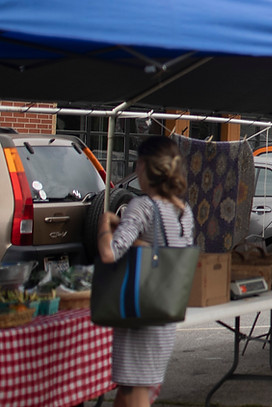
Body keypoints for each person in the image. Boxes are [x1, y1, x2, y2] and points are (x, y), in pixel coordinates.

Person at [96, 137, 195, 407]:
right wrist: (135, 236)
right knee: (131, 389)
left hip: (138, 310)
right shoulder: (184, 212)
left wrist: (104, 224)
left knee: (136, 388)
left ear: (141, 166)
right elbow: (165, 251)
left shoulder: (142, 206)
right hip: (165, 308)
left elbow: (109, 253)